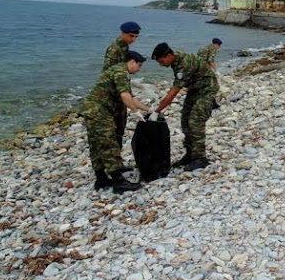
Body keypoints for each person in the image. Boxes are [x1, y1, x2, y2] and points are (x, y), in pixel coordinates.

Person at [83, 51, 151, 193]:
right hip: (100, 112)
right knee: (108, 144)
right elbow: (125, 96)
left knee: (96, 144)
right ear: (131, 62)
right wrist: (135, 112)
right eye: (139, 65)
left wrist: (149, 109)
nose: (139, 69)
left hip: (92, 110)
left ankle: (101, 178)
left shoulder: (117, 70)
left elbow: (131, 98)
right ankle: (118, 182)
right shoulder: (121, 73)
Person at [150, 43, 219, 171]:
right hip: (194, 89)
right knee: (185, 120)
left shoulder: (183, 63)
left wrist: (157, 110)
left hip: (207, 89)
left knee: (196, 121)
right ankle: (190, 154)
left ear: (169, 55)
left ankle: (200, 158)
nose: (160, 64)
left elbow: (173, 93)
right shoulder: (175, 60)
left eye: (161, 61)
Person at [103, 21, 142, 149]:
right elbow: (109, 73)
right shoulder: (114, 50)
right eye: (131, 36)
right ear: (123, 33)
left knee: (120, 127)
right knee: (113, 129)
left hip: (120, 89)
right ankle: (113, 162)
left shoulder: (124, 46)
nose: (134, 39)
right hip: (113, 93)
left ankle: (117, 159)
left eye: (136, 37)